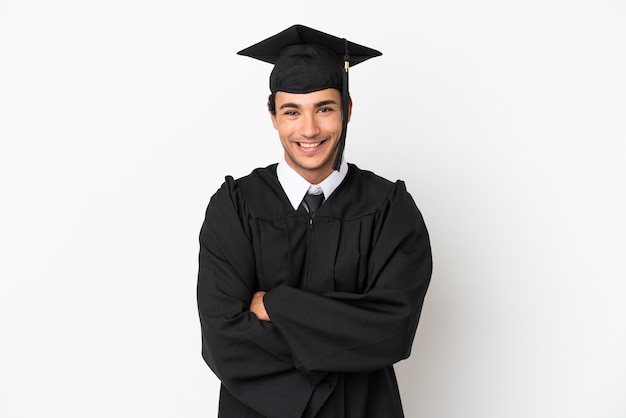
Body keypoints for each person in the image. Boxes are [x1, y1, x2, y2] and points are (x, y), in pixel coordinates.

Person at [197, 24, 432, 418]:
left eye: (324, 108)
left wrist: (276, 303)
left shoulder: (390, 207)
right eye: (292, 111)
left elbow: (393, 331)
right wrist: (346, 337)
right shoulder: (234, 206)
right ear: (273, 116)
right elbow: (223, 338)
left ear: (348, 110)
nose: (309, 129)